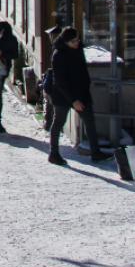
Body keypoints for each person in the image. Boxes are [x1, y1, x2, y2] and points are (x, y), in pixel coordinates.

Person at [47, 26, 110, 166]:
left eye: (78, 39)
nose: (77, 43)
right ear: (66, 41)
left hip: (81, 93)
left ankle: (96, 152)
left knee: (89, 120)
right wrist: (73, 100)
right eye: (74, 41)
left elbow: (82, 71)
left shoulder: (78, 49)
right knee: (58, 123)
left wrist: (83, 92)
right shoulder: (58, 55)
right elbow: (60, 81)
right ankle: (54, 153)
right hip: (63, 96)